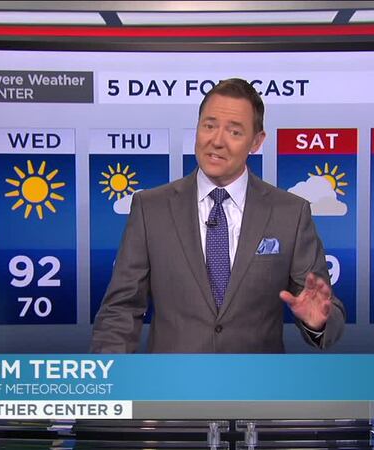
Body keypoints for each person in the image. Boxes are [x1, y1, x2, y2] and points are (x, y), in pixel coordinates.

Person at [91, 78, 345, 353]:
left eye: (234, 132)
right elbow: (120, 310)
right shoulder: (151, 209)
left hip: (256, 380)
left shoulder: (290, 214)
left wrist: (318, 323)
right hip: (172, 379)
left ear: (256, 141)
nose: (217, 141)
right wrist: (110, 372)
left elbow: (328, 314)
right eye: (209, 126)